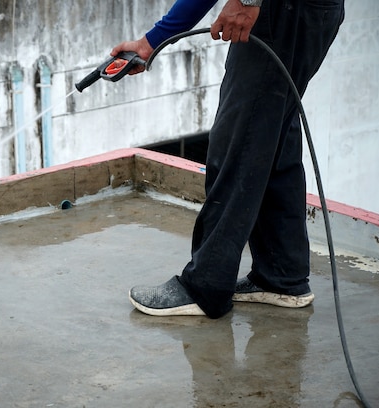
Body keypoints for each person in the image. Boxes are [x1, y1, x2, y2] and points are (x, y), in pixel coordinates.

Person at [112, 0, 345, 318]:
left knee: (240, 141)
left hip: (281, 12)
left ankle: (204, 287)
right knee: (273, 132)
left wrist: (246, 1)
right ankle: (281, 276)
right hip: (308, 12)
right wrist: (154, 40)